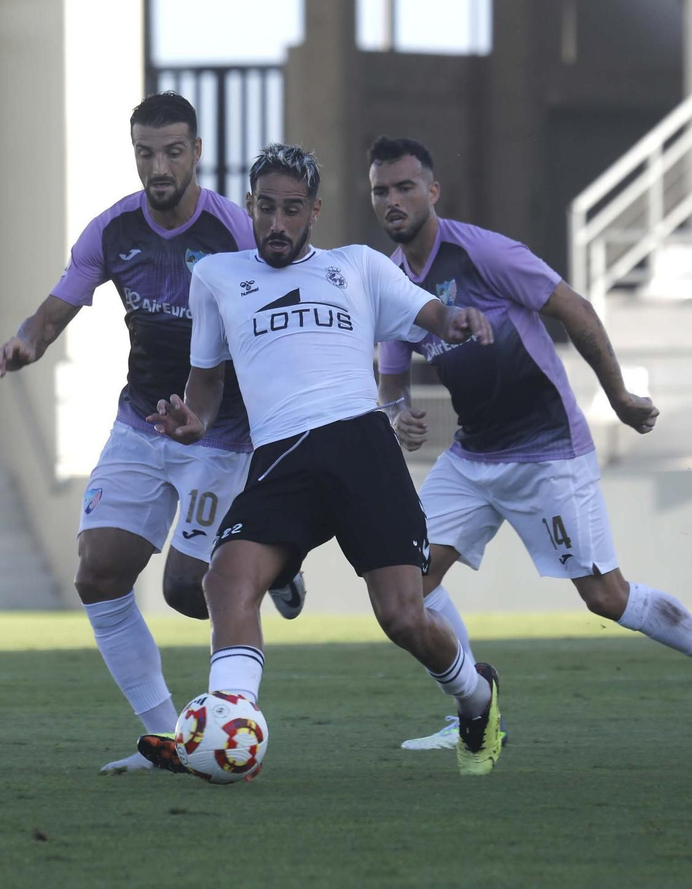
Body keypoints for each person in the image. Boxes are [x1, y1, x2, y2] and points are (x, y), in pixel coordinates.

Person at [366, 136, 692, 752]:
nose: (393, 201)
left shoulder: (484, 253)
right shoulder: (392, 284)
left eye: (404, 187)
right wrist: (397, 412)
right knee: (409, 587)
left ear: (432, 191)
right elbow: (392, 378)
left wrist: (618, 396)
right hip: (473, 458)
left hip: (546, 452)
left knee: (606, 597)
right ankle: (475, 705)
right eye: (380, 191)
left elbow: (576, 310)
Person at [138, 143, 505, 777]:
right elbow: (206, 381)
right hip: (281, 455)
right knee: (224, 579)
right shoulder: (217, 277)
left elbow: (433, 314)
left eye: (291, 211)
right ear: (249, 207)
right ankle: (231, 729)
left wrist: (460, 319)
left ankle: (477, 697)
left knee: (402, 615)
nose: (276, 225)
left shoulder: (356, 267)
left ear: (315, 211)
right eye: (264, 209)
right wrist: (193, 421)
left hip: (361, 447)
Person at [0, 93, 305, 775]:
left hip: (220, 436)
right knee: (98, 574)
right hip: (140, 423)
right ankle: (169, 738)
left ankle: (278, 561)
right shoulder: (114, 230)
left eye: (171, 151)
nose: (157, 166)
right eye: (144, 152)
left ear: (195, 151)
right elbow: (59, 302)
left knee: (188, 590)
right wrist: (26, 342)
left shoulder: (235, 229)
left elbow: (288, 308)